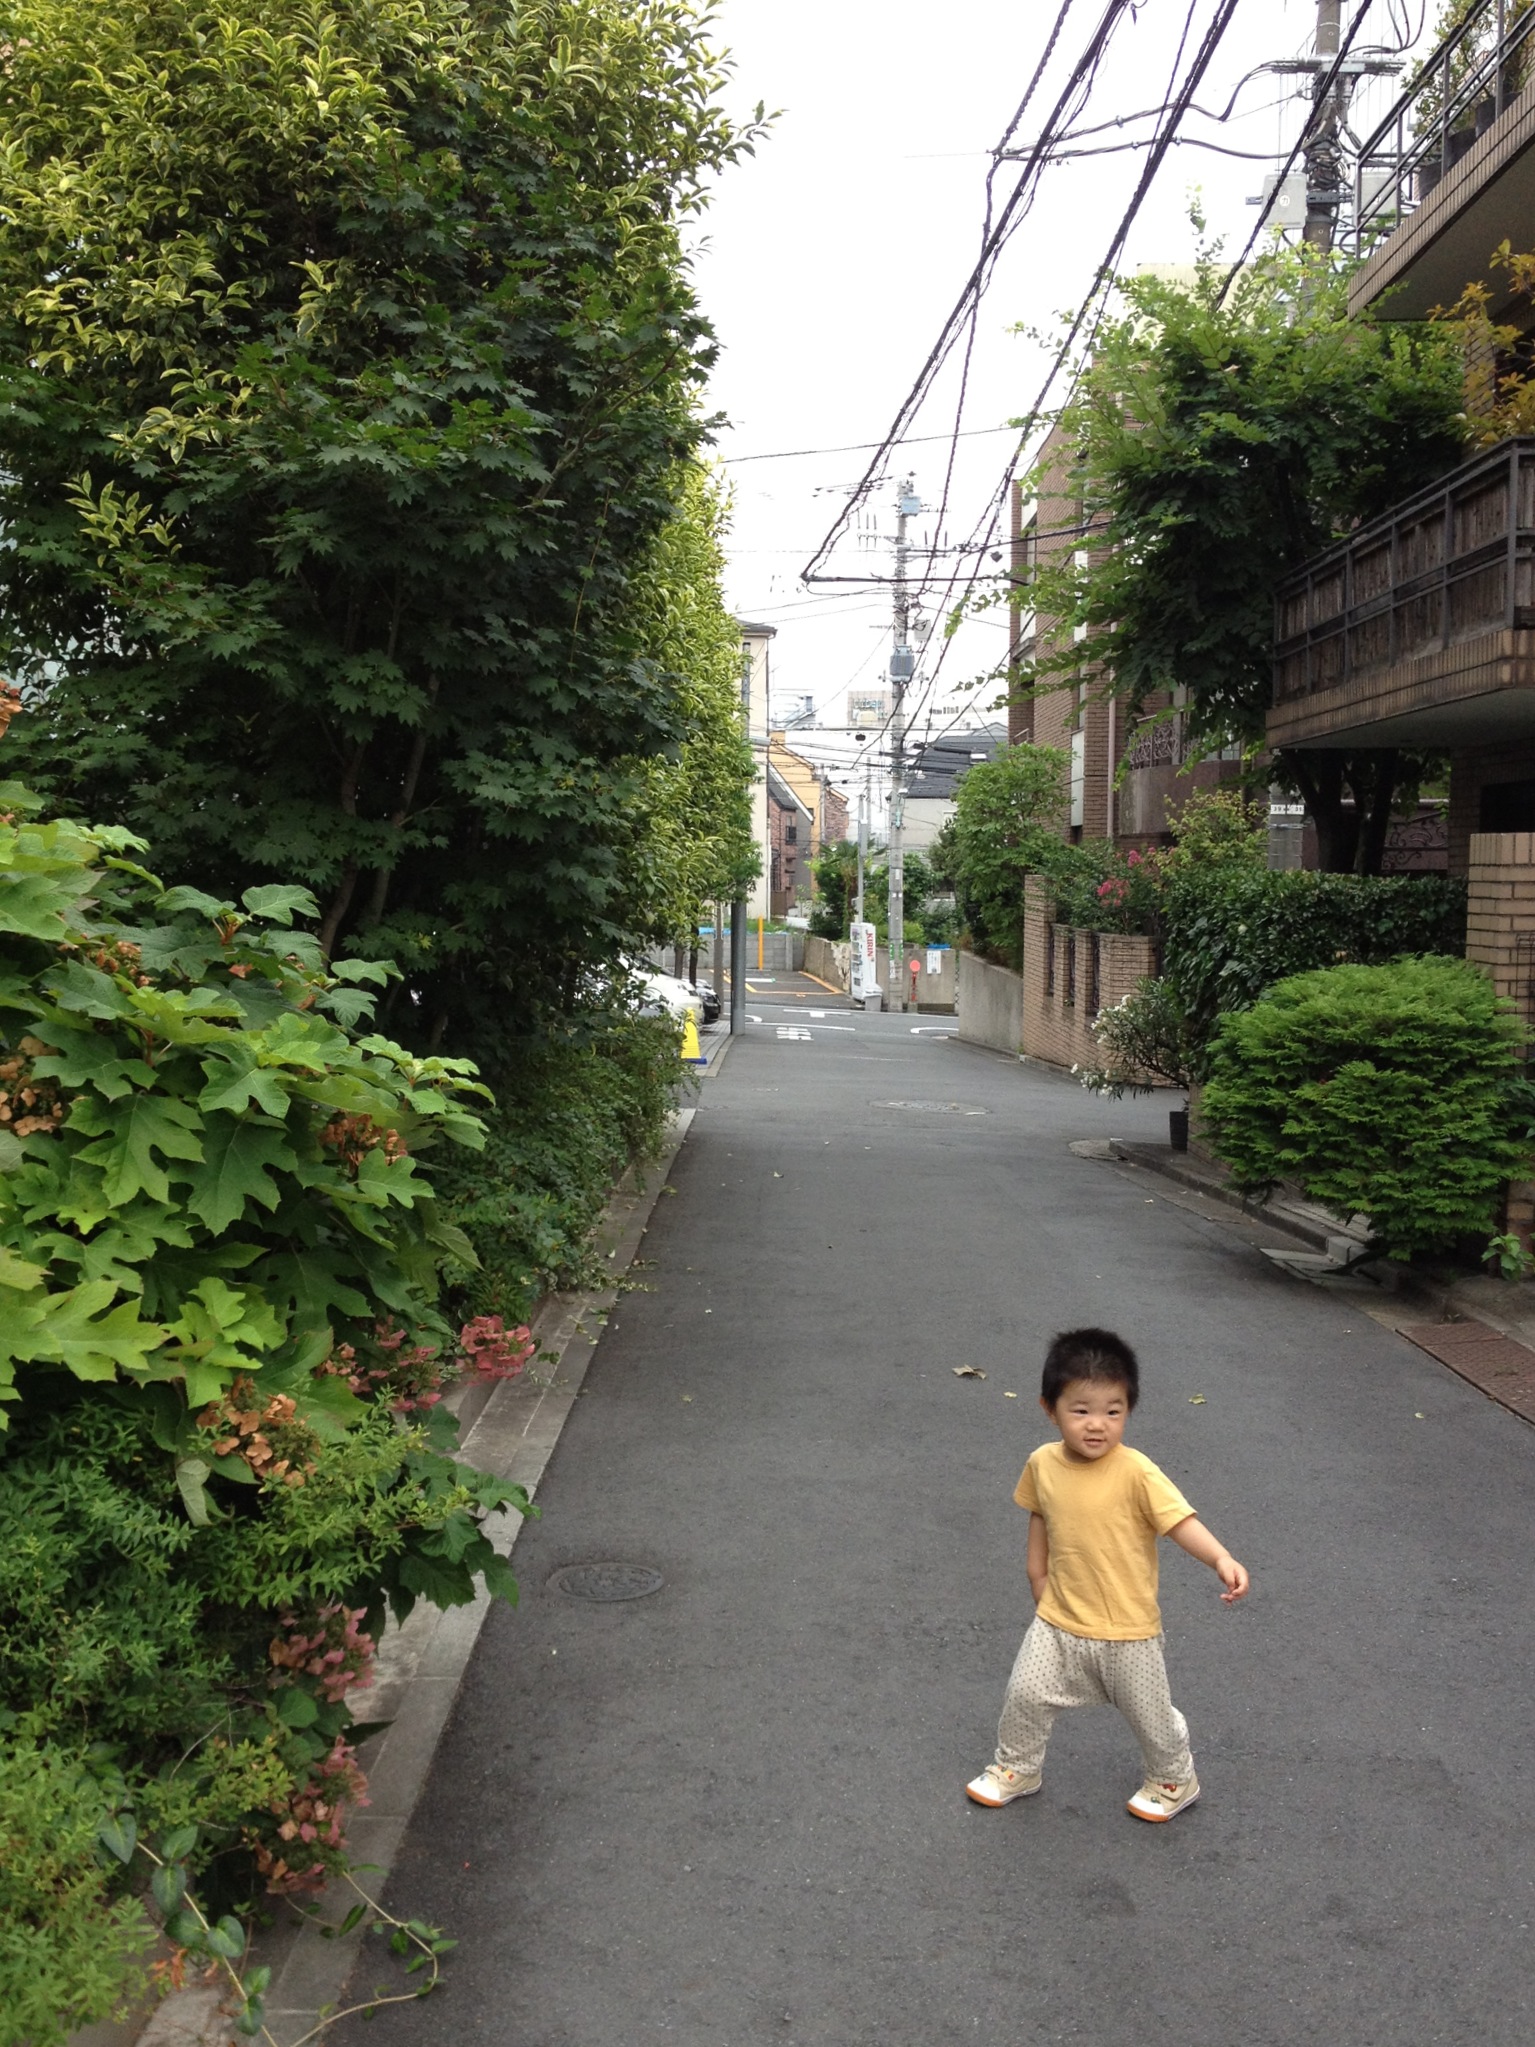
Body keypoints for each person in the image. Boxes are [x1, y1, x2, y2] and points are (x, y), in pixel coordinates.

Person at [966, 1326, 1249, 1822]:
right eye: (1081, 1410)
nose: (1097, 1424)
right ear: (1048, 1408)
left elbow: (1179, 1521)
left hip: (1128, 1630)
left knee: (1150, 1715)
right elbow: (1041, 1518)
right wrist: (1037, 1578)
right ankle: (1017, 1767)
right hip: (1058, 1619)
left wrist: (1220, 1558)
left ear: (1128, 1411)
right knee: (1026, 1695)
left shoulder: (1137, 1472)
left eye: (1113, 1412)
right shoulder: (1042, 1464)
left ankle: (1174, 1778)